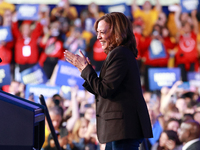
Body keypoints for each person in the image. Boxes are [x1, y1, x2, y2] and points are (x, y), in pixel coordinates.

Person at [64, 12, 153, 150]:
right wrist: (85, 70)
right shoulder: (119, 53)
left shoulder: (120, 54)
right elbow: (102, 90)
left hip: (123, 130)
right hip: (119, 131)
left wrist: (86, 68)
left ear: (117, 32)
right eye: (97, 32)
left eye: (102, 32)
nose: (98, 37)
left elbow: (104, 89)